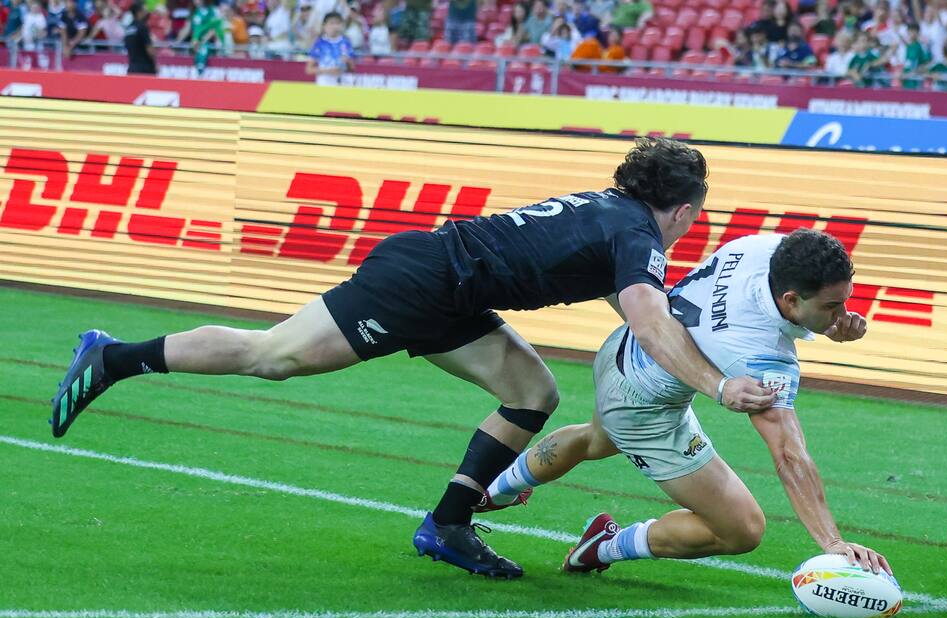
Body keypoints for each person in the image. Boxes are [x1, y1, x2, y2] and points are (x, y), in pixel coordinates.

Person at [49, 139, 776, 580]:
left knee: (532, 390)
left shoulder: (611, 212)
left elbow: (645, 312)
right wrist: (718, 386)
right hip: (423, 283)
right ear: (686, 211)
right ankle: (113, 358)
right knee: (273, 357)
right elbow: (648, 318)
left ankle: (448, 524)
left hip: (446, 284)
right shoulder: (637, 234)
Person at [481, 229, 892, 577]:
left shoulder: (765, 248)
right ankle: (605, 546)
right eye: (832, 306)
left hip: (627, 346)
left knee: (595, 439)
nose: (843, 313)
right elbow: (788, 453)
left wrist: (825, 321)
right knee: (741, 528)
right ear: (789, 299)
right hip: (644, 410)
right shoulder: (763, 357)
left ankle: (491, 491)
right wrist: (831, 541)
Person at [306, 10, 353, 85]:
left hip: (342, 84)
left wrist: (347, 62)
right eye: (331, 23)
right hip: (324, 84)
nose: (335, 26)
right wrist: (328, 71)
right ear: (324, 25)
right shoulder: (319, 43)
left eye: (337, 23)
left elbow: (352, 68)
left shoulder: (346, 42)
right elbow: (309, 69)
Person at [123, 0, 156, 72]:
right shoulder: (143, 27)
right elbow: (149, 50)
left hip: (132, 68)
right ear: (139, 12)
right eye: (145, 9)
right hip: (145, 70)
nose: (147, 12)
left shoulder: (128, 28)